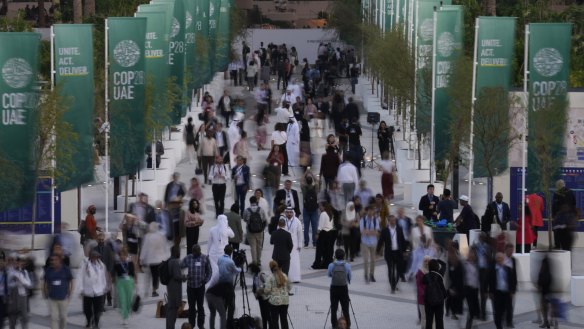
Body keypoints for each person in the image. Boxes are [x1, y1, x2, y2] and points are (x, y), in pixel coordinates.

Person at [181, 245, 213, 329]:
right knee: (191, 307)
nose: (194, 254)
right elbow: (180, 266)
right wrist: (183, 276)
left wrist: (206, 280)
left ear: (199, 251)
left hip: (200, 287)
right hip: (190, 287)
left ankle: (200, 324)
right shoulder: (188, 258)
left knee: (200, 306)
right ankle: (191, 324)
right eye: (193, 252)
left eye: (196, 252)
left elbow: (209, 271)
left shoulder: (205, 258)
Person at [76, 250, 107, 329]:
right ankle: (88, 321)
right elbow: (80, 277)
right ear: (90, 257)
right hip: (87, 291)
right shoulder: (84, 265)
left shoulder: (101, 265)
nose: (95, 258)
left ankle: (96, 322)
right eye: (93, 257)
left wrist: (104, 286)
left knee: (98, 309)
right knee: (87, 309)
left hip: (99, 290)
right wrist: (80, 288)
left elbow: (103, 277)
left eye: (96, 257)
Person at [377, 215, 407, 293]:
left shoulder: (399, 229)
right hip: (389, 253)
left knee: (398, 270)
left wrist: (404, 251)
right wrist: (377, 252)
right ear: (389, 221)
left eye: (394, 220)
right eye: (392, 220)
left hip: (398, 252)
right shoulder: (385, 230)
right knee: (390, 270)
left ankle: (395, 283)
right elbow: (380, 241)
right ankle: (392, 286)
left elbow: (403, 240)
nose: (393, 222)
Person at [43, 253, 73, 329]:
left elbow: (71, 280)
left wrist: (70, 291)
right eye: (51, 260)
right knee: (54, 318)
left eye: (55, 260)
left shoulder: (66, 269)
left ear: (59, 260)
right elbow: (46, 282)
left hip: (63, 298)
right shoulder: (48, 270)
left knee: (63, 317)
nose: (53, 262)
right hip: (52, 298)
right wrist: (46, 292)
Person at [140, 222, 170, 297]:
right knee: (157, 275)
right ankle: (155, 289)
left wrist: (141, 258)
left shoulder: (147, 236)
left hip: (151, 260)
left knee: (153, 275)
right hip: (160, 259)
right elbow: (165, 246)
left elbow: (144, 248)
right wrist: (167, 256)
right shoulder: (161, 235)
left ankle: (150, 290)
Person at [489, 253, 517, 329]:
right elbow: (488, 281)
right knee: (497, 312)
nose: (499, 259)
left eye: (501, 258)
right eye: (498, 258)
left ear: (503, 259)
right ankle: (499, 326)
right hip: (497, 293)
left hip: (506, 293)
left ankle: (505, 323)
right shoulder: (492, 269)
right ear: (496, 259)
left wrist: (512, 291)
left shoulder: (507, 269)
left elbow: (512, 280)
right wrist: (489, 292)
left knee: (505, 310)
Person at [261, 261, 291, 329]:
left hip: (274, 302)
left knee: (275, 320)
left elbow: (267, 290)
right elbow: (289, 287)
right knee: (284, 320)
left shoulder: (270, 277)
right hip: (285, 301)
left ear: (271, 268)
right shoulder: (284, 275)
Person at [327, 249, 352, 329]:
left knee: (333, 308)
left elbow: (329, 275)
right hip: (344, 288)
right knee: (345, 309)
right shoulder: (347, 265)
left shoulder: (331, 265)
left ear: (335, 256)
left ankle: (335, 326)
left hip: (334, 288)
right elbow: (349, 276)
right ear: (344, 256)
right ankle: (347, 326)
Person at [207, 215, 235, 283]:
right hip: (223, 253)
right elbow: (233, 235)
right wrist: (228, 226)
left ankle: (214, 283)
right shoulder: (227, 230)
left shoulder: (212, 229)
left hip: (213, 253)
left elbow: (210, 242)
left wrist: (208, 252)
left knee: (214, 270)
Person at [243, 196, 269, 267]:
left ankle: (254, 261)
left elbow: (244, 219)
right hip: (260, 231)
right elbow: (263, 219)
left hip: (250, 231)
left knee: (253, 247)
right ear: (256, 202)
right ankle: (258, 261)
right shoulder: (260, 209)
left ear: (250, 202)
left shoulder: (247, 210)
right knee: (259, 246)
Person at [115, 248, 137, 327]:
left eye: (124, 255)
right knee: (122, 299)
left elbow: (134, 272)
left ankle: (127, 312)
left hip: (129, 282)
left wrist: (136, 281)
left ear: (126, 255)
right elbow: (115, 275)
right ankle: (125, 317)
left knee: (128, 299)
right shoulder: (117, 264)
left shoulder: (130, 263)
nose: (122, 257)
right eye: (121, 255)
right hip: (121, 282)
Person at [552, 179, 577, 249]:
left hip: (560, 219)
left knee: (557, 234)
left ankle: (558, 246)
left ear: (558, 186)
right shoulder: (571, 192)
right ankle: (567, 250)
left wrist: (554, 217)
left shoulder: (557, 193)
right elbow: (574, 204)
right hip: (569, 219)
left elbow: (554, 206)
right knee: (567, 241)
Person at [423, 259, 447, 329]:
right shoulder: (440, 274)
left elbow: (422, 281)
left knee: (429, 321)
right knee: (439, 321)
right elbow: (444, 265)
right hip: (439, 301)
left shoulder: (426, 276)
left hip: (428, 301)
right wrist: (438, 260)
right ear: (437, 267)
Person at [282, 208, 303, 283]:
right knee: (286, 261)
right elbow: (279, 230)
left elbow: (300, 234)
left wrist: (300, 245)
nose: (289, 214)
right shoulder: (282, 220)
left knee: (295, 261)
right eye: (287, 212)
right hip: (285, 244)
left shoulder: (297, 221)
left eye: (291, 212)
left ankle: (296, 278)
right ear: (285, 213)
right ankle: (286, 277)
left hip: (295, 244)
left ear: (293, 213)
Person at [360, 206, 380, 283]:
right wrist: (372, 232)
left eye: (372, 211)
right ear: (367, 211)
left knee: (373, 260)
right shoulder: (363, 220)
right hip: (365, 242)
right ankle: (366, 275)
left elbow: (377, 232)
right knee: (365, 259)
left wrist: (368, 232)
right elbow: (362, 232)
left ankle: (371, 274)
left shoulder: (376, 220)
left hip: (373, 242)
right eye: (369, 211)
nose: (370, 213)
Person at [312, 202, 335, 270]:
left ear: (324, 207)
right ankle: (326, 263)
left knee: (319, 250)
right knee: (327, 249)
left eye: (321, 206)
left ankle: (317, 264)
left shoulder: (323, 214)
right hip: (330, 232)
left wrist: (317, 234)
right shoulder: (330, 213)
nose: (319, 207)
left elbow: (320, 226)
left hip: (323, 233)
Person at [166, 246, 183, 329]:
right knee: (173, 312)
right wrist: (185, 277)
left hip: (170, 287)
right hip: (175, 289)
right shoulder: (175, 262)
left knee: (170, 311)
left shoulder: (169, 260)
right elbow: (177, 276)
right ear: (177, 252)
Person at [445, 243, 464, 320]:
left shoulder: (457, 255)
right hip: (451, 281)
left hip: (457, 281)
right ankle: (451, 312)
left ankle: (450, 311)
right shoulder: (448, 256)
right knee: (451, 297)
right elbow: (448, 272)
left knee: (452, 297)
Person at [301, 173, 320, 248]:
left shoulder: (304, 188)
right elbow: (317, 180)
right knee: (314, 226)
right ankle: (315, 242)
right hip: (314, 209)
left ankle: (306, 243)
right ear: (312, 180)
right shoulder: (315, 188)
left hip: (306, 209)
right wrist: (311, 173)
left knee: (306, 227)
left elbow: (302, 180)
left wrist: (306, 172)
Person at [464, 248, 480, 329]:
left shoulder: (477, 265)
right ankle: (468, 326)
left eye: (473, 253)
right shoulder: (465, 264)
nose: (471, 255)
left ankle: (473, 324)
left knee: (474, 309)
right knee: (471, 308)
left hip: (475, 289)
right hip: (468, 290)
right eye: (470, 253)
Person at [251, 264, 270, 329]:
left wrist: (260, 290)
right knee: (263, 315)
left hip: (265, 298)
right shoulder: (254, 276)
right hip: (260, 298)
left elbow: (267, 284)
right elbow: (254, 286)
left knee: (268, 315)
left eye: (250, 270)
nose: (250, 272)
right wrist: (255, 292)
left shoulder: (261, 275)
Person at [537, 256, 554, 329]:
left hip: (544, 293)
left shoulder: (543, 273)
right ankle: (549, 322)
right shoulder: (549, 272)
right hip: (548, 293)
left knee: (544, 309)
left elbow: (540, 283)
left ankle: (546, 322)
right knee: (548, 309)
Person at [504, 243, 518, 328]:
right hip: (502, 287)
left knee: (510, 306)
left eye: (512, 251)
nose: (511, 252)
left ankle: (509, 321)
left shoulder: (513, 260)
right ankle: (503, 318)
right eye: (509, 250)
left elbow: (515, 275)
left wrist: (514, 288)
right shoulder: (502, 259)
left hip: (510, 287)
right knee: (502, 305)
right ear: (505, 250)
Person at [415, 256, 431, 329]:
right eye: (425, 261)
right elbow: (418, 285)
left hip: (431, 298)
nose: (427, 263)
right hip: (422, 298)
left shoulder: (432, 271)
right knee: (424, 317)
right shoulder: (420, 271)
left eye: (428, 261)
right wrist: (423, 293)